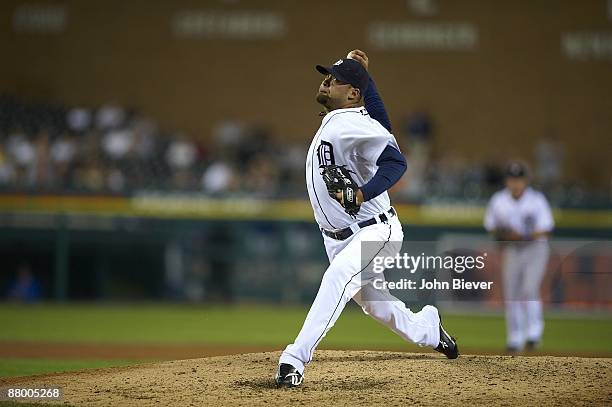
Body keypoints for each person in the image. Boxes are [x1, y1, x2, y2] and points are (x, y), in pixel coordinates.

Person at [275, 50, 458, 388]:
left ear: (352, 94)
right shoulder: (349, 121)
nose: (326, 81)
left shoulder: (349, 123)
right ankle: (428, 329)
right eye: (326, 75)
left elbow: (395, 162)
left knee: (337, 278)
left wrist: (362, 193)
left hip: (375, 231)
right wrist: (362, 75)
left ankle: (294, 358)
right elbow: (381, 129)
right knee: (377, 305)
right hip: (339, 237)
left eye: (336, 79)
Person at [484, 161, 554, 353]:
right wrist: (507, 235)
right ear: (507, 181)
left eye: (519, 179)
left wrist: (523, 236)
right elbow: (491, 226)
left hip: (535, 249)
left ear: (526, 181)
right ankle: (514, 338)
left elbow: (546, 230)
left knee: (529, 289)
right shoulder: (499, 200)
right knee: (512, 295)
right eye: (512, 179)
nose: (515, 183)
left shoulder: (536, 200)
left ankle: (533, 333)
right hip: (512, 250)